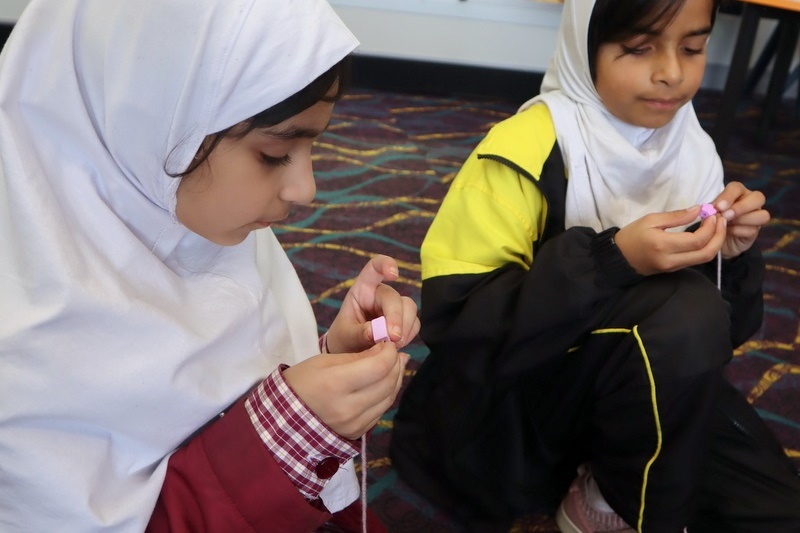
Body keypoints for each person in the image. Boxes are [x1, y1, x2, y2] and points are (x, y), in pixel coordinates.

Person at [0, 0, 420, 531]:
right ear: (147, 111)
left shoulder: (186, 216)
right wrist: (287, 435)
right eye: (273, 154)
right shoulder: (21, 346)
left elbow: (217, 383)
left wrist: (330, 359)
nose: (306, 189)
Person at [390, 0, 800, 532]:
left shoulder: (691, 150)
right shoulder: (524, 149)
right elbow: (458, 322)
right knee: (684, 315)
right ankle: (616, 505)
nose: (672, 73)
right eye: (638, 48)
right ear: (586, 48)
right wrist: (613, 260)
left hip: (652, 389)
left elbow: (722, 336)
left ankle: (614, 483)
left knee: (777, 510)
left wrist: (735, 260)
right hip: (520, 405)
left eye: (694, 48)